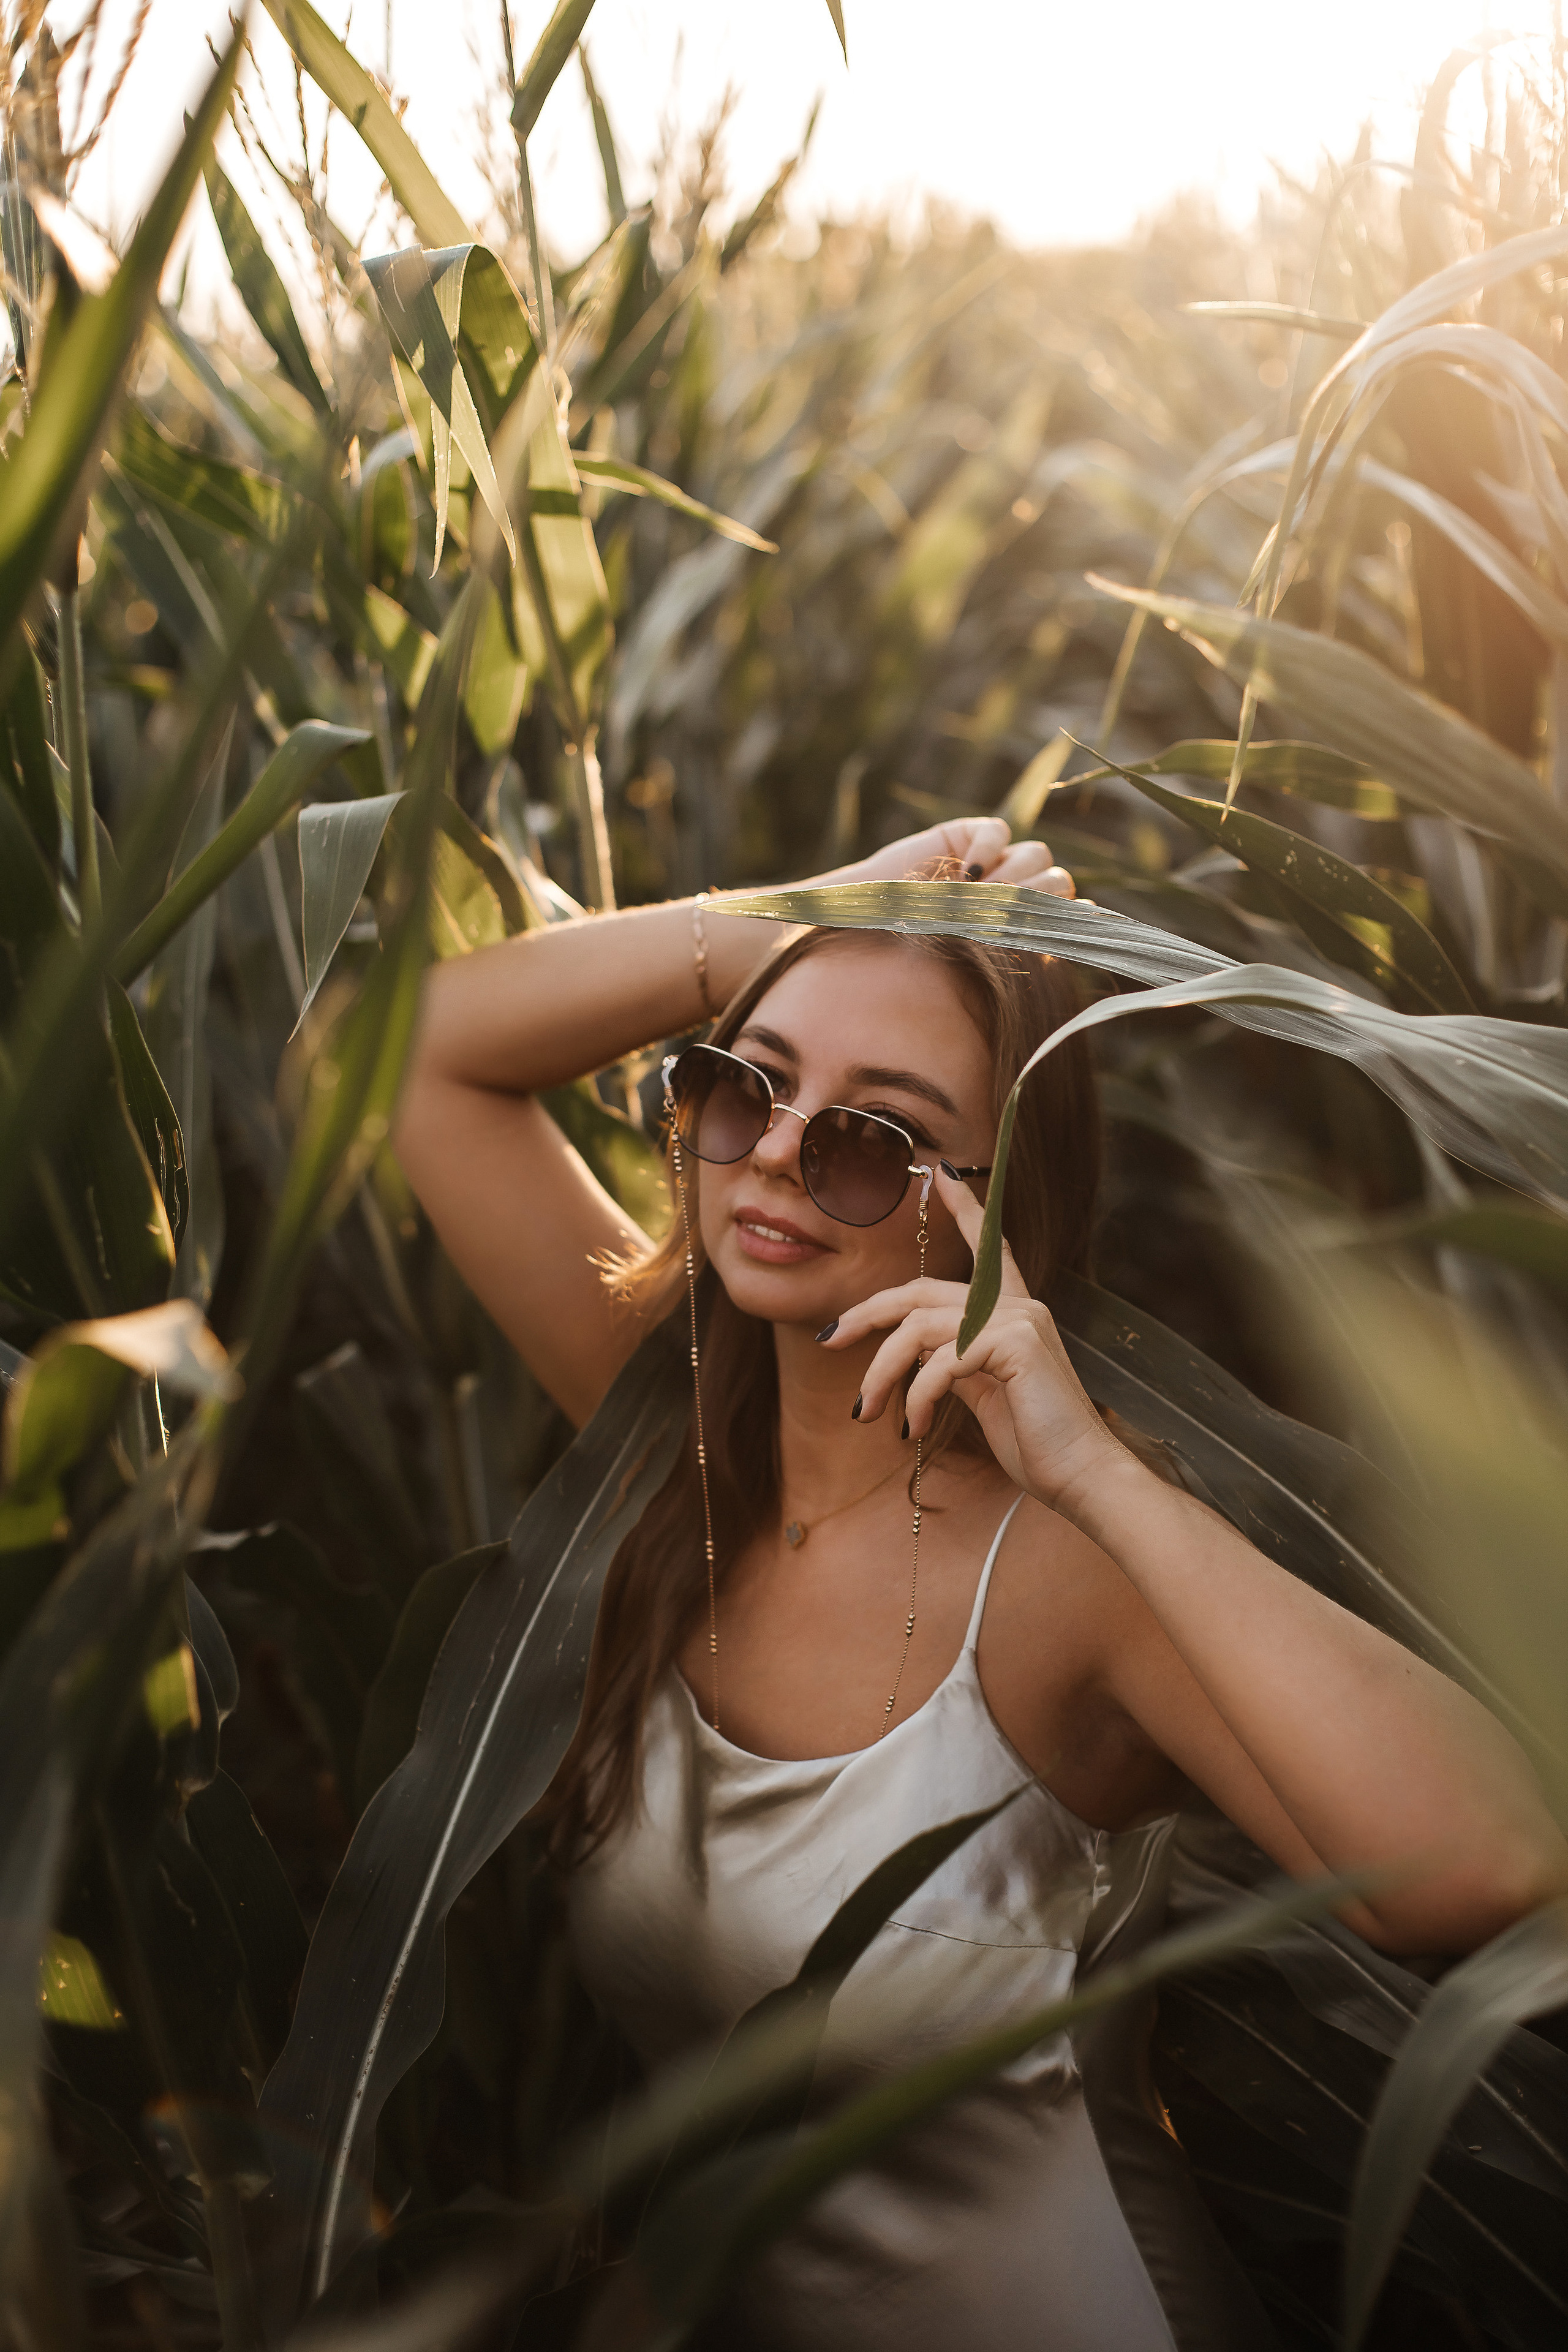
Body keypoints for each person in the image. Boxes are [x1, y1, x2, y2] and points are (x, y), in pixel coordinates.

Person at [394, 815, 1568, 2352]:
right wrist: (807, 920)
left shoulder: (1062, 1570)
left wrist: (1084, 1466)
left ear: (995, 1204)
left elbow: (1478, 1865)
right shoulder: (659, 1455)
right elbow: (419, 1057)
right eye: (744, 1085)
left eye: (873, 1138)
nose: (778, 1158)